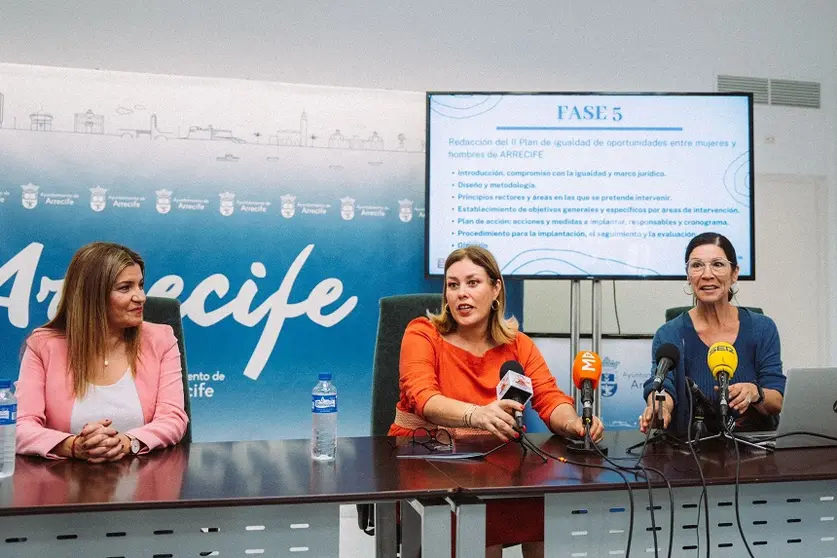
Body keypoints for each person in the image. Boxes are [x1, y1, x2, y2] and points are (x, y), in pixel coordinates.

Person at [389, 245, 603, 558]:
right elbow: (423, 398)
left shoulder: (517, 344)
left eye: (473, 283)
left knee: (544, 515)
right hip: (429, 459)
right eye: (453, 285)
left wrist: (572, 423)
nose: (462, 294)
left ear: (496, 289)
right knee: (482, 529)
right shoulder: (423, 333)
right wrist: (476, 415)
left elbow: (550, 398)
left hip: (494, 464)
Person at [16, 242, 188, 461]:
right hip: (62, 486)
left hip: (145, 482)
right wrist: (74, 445)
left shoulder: (161, 339)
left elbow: (173, 419)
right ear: (92, 296)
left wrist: (127, 443)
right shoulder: (43, 346)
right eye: (125, 288)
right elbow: (21, 425)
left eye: (140, 285)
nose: (141, 297)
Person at [640, 232, 785, 436]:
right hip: (690, 453)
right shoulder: (670, 333)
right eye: (697, 265)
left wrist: (756, 393)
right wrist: (659, 409)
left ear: (734, 273)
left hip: (754, 452)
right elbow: (664, 387)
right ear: (688, 275)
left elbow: (777, 400)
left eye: (717, 264)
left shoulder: (762, 328)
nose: (707, 274)